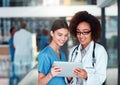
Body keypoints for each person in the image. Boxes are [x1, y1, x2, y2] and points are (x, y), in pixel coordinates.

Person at [66, 11, 108, 85]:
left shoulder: (99, 50)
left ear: (93, 32)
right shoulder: (73, 51)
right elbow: (70, 80)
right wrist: (69, 78)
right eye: (78, 32)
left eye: (85, 32)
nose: (81, 36)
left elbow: (101, 78)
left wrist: (87, 76)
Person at [38, 19, 69, 85]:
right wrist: (51, 74)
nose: (63, 38)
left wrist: (69, 76)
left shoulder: (62, 55)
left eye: (66, 35)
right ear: (52, 33)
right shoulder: (45, 55)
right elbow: (40, 83)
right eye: (60, 35)